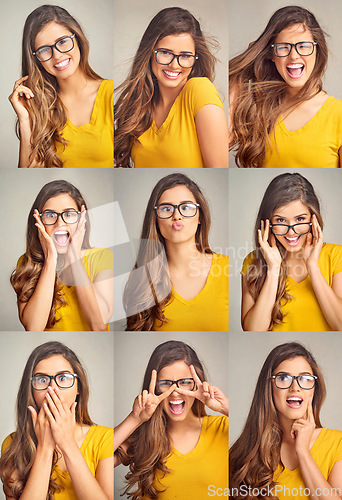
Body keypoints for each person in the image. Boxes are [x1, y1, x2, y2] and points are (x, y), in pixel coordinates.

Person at [229, 5, 342, 168]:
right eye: (283, 47)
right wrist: (244, 68)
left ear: (317, 51)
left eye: (303, 46)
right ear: (271, 55)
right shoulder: (259, 109)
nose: (294, 56)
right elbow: (224, 141)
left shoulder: (339, 114)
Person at [114, 7, 228, 168]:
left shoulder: (200, 90)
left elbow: (220, 169)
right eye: (165, 52)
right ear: (150, 52)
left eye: (185, 56)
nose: (174, 65)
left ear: (196, 58)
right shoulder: (139, 106)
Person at [114, 340, 228, 499]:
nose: (175, 392)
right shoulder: (142, 437)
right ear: (154, 388)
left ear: (196, 384)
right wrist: (135, 419)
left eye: (185, 382)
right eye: (166, 383)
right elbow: (94, 457)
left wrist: (224, 407)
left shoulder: (222, 427)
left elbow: (263, 426)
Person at [0, 341, 114, 499]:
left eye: (63, 378)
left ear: (78, 387)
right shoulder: (13, 444)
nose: (53, 388)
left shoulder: (105, 438)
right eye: (41, 379)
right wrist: (45, 449)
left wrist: (67, 443)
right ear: (30, 389)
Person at [229, 342, 342, 500]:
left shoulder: (337, 443)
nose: (295, 387)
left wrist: (303, 452)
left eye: (305, 378)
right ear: (269, 387)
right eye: (283, 378)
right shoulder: (245, 452)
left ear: (315, 388)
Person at [9, 5, 113, 168]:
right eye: (44, 50)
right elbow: (30, 169)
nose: (57, 55)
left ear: (77, 39)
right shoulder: (39, 107)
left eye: (62, 41)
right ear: (35, 59)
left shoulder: (112, 93)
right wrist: (25, 119)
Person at [123, 173, 228, 331]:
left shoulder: (228, 266)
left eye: (186, 207)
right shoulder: (142, 277)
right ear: (155, 219)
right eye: (166, 209)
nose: (177, 216)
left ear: (200, 216)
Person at [241, 173, 342, 331]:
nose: (291, 232)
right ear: (268, 223)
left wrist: (313, 267)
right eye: (281, 220)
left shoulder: (337, 256)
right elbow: (253, 331)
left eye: (300, 219)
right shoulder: (253, 261)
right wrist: (273, 270)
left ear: (313, 219)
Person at [10, 180, 114, 331]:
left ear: (81, 219)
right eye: (50, 215)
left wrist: (74, 256)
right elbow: (33, 328)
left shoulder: (102, 256)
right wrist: (50, 259)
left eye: (69, 214)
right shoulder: (27, 262)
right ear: (38, 220)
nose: (60, 223)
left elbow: (98, 325)